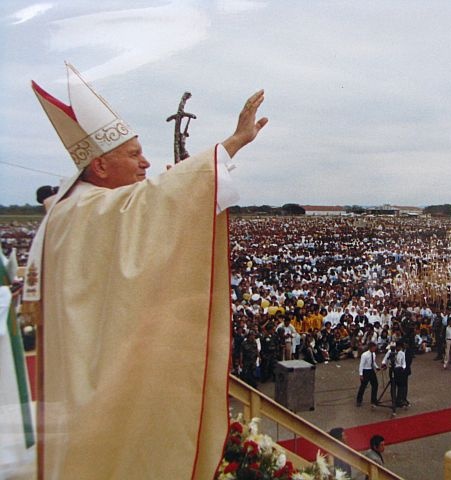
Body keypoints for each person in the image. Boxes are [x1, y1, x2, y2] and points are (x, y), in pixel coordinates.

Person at [24, 63, 267, 479]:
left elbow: (150, 208)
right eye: (134, 154)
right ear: (99, 167)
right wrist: (232, 144)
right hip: (95, 384)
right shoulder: (88, 210)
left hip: (85, 370)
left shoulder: (75, 208)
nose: (145, 162)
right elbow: (159, 203)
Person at [356, 341, 380, 407]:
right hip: (365, 371)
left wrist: (377, 367)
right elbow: (361, 365)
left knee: (375, 384)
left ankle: (373, 399)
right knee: (363, 386)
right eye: (374, 348)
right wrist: (361, 374)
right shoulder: (364, 355)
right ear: (370, 347)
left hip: (371, 370)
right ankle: (359, 400)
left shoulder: (373, 354)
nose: (375, 349)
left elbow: (373, 362)